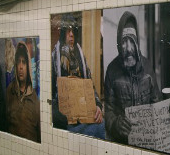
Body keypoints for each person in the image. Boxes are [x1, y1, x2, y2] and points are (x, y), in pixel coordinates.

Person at [104, 11, 161, 143]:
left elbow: (157, 104)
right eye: (124, 42)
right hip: (122, 141)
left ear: (137, 43)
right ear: (119, 44)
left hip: (146, 140)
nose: (129, 48)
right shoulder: (112, 70)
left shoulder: (147, 67)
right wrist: (115, 124)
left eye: (132, 41)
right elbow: (108, 109)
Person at [52, 13, 105, 138]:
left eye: (73, 31)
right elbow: (49, 97)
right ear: (63, 32)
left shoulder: (80, 56)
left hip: (85, 115)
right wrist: (62, 115)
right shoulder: (54, 58)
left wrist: (97, 106)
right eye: (68, 31)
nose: (71, 34)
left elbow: (90, 85)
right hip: (65, 120)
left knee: (102, 127)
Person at [6, 42, 41, 142]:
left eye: (24, 62)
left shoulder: (34, 100)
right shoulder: (10, 91)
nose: (21, 67)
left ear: (28, 66)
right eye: (18, 62)